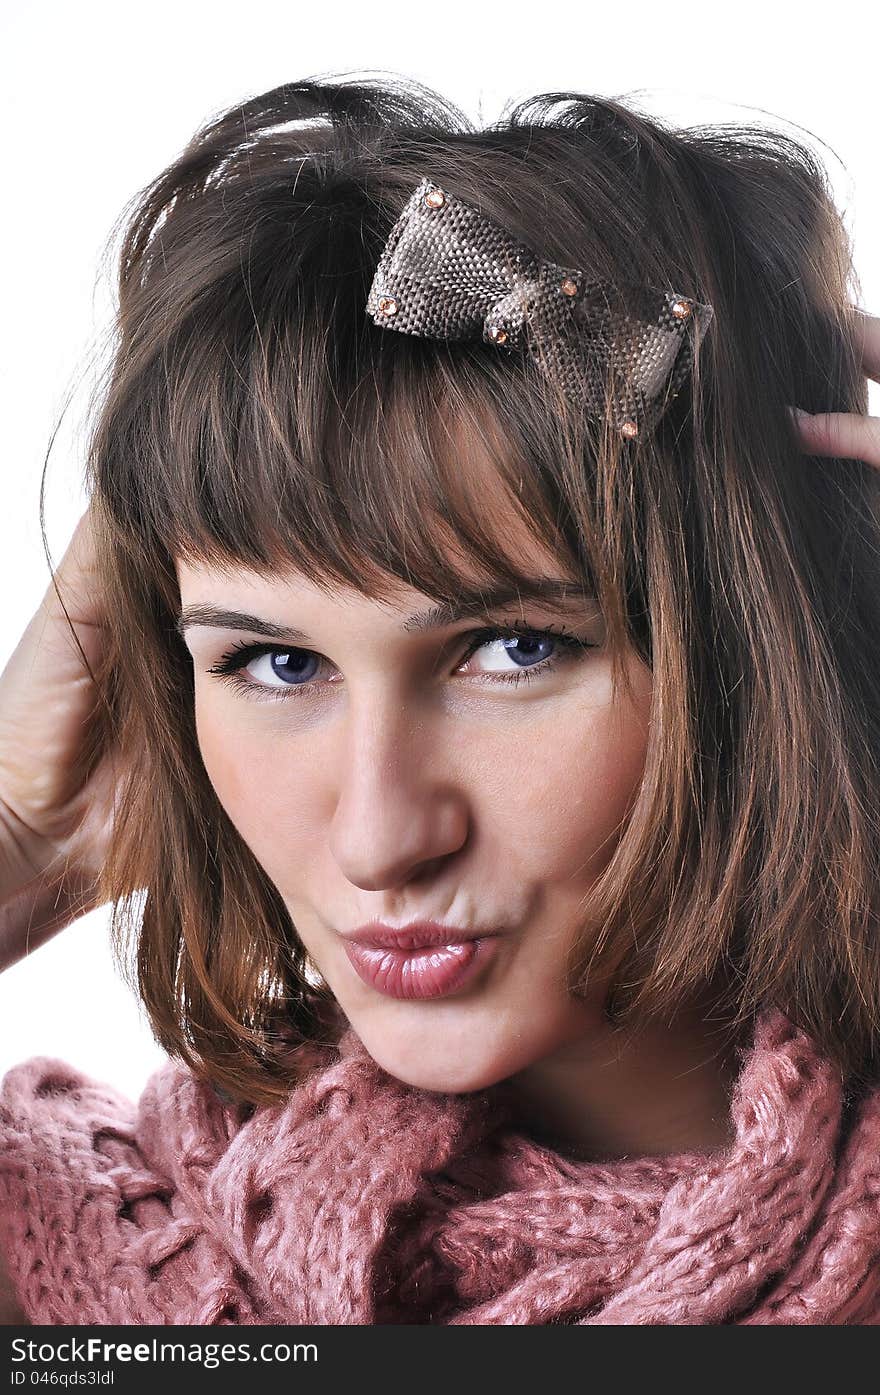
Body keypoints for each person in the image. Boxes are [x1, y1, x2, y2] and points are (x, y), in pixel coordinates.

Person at [1, 75, 880, 1325]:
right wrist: (20, 835)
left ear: (767, 643)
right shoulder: (73, 1261)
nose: (379, 836)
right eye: (276, 663)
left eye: (514, 649)